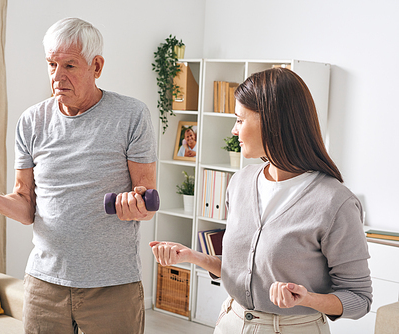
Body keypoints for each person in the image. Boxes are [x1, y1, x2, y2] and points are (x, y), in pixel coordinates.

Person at [0, 18, 157, 334]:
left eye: (69, 66)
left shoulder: (131, 115)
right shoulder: (32, 121)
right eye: (51, 65)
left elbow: (147, 199)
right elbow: (24, 205)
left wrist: (136, 205)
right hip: (44, 282)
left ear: (97, 66)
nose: (57, 76)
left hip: (112, 285)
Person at [151, 68, 372, 333]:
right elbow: (243, 272)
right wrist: (193, 257)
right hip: (231, 322)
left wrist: (307, 298)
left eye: (240, 120)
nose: (234, 130)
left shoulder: (335, 202)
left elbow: (359, 298)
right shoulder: (241, 182)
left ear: (271, 122)